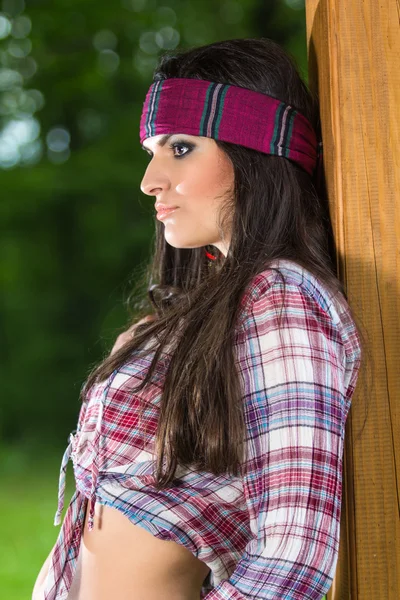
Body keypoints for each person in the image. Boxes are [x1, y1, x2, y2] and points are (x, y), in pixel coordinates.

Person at [33, 37, 365, 600]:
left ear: (256, 155)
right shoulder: (213, 309)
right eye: (152, 153)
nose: (150, 182)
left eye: (181, 149)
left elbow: (293, 556)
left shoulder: (282, 300)